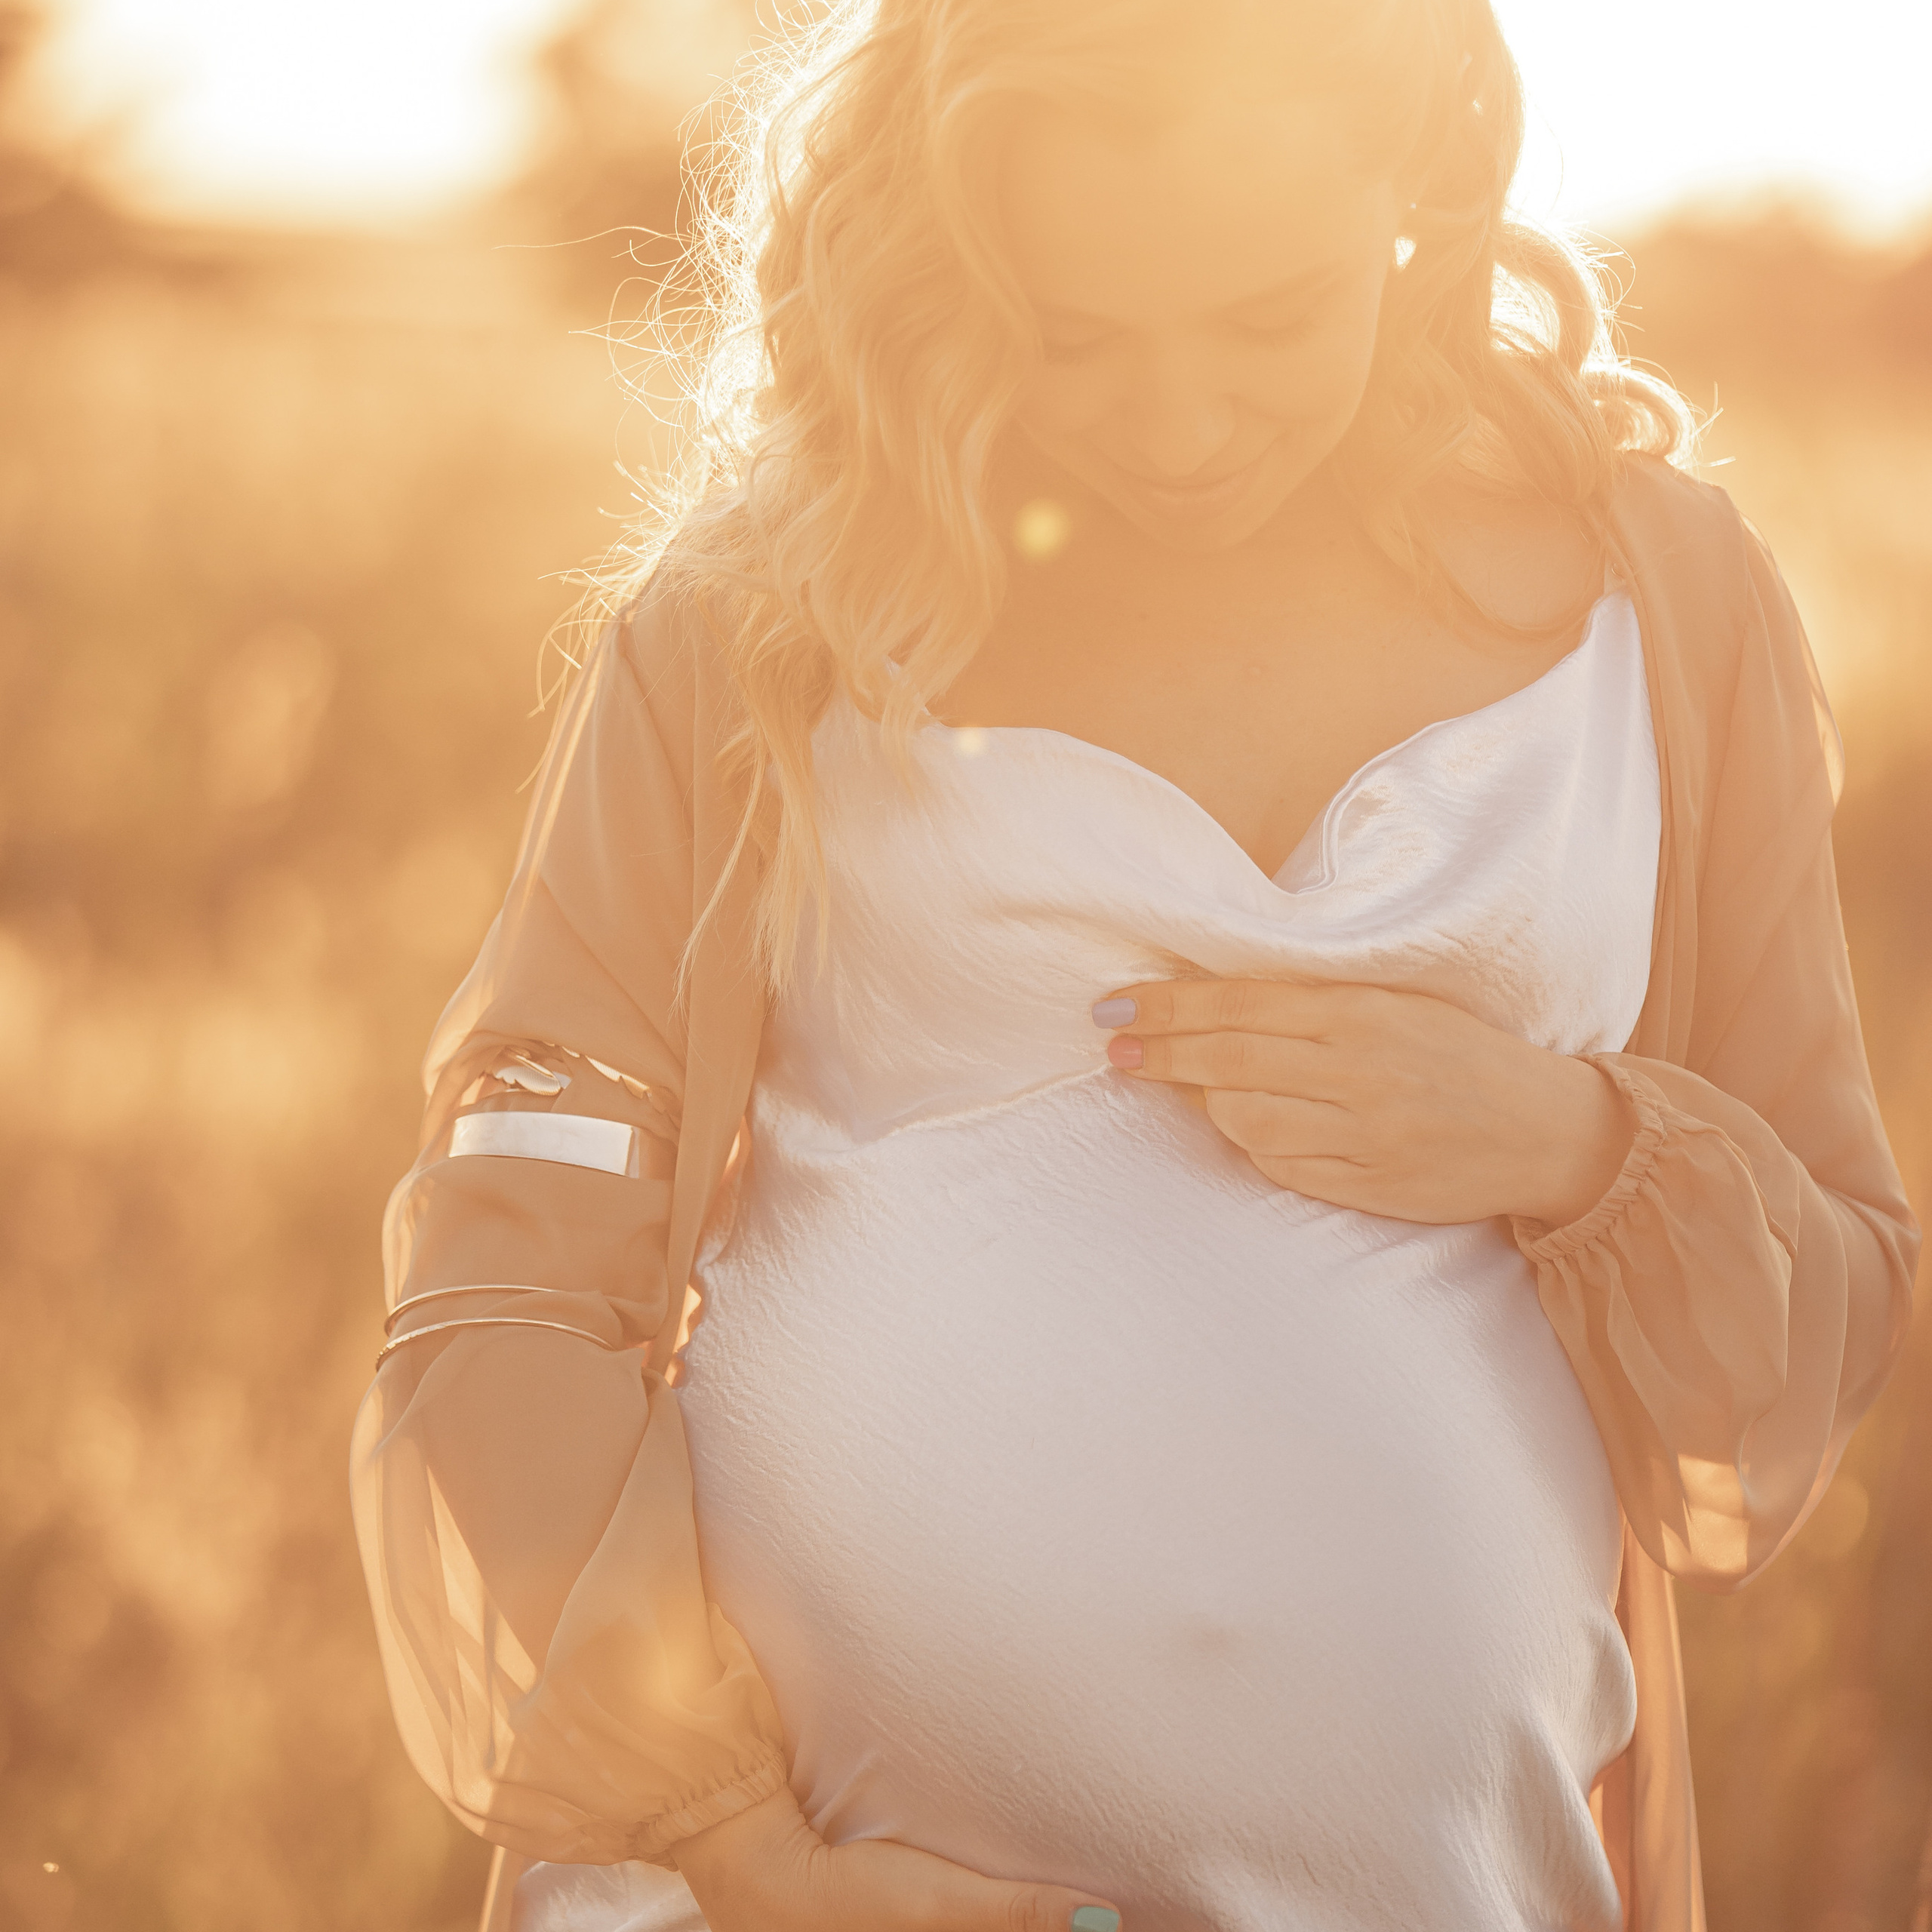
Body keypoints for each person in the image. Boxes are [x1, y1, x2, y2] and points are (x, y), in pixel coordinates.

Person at [349, 2, 1918, 1929]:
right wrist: (740, 1854)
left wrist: (1574, 1140)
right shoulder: (774, 612)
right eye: (1071, 332)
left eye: (1269, 316)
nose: (1175, 425)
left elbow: (1836, 1299)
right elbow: (508, 1260)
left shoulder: (1661, 601)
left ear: (1417, 181)